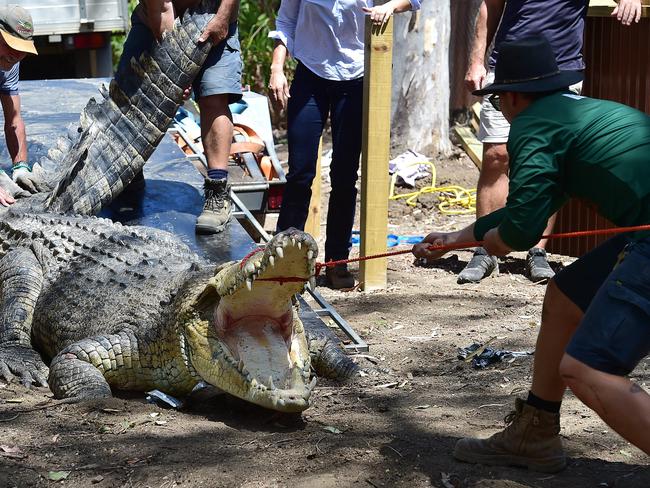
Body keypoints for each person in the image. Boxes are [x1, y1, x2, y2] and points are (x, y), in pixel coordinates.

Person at [413, 37, 650, 471]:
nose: (501, 106)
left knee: (586, 370)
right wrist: (455, 237)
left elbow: (519, 231)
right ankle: (535, 433)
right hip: (643, 233)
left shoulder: (532, 125)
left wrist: (498, 244)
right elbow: (528, 209)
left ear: (513, 96)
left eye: (500, 97)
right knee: (563, 298)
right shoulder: (574, 116)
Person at [461, 0, 641, 284]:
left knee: (555, 165)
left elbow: (548, 191)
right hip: (510, 66)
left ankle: (536, 250)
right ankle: (485, 249)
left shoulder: (543, 124)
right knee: (497, 155)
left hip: (560, 68)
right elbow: (490, 6)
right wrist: (476, 60)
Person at [267, 0, 419, 289]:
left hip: (355, 77)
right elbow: (285, 22)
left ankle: (337, 260)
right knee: (300, 172)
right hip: (310, 73)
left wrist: (390, 6)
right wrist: (277, 68)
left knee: (344, 175)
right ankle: (285, 259)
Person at [118, 0, 242, 234]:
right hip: (154, 20)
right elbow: (161, 8)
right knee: (131, 88)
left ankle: (217, 191)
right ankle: (130, 174)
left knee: (213, 98)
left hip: (216, 13)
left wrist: (223, 17)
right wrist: (174, 70)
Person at [0, 5, 38, 207]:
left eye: (21, 49)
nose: (15, 54)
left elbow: (14, 120)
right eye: (10, 45)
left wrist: (20, 166)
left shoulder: (11, 60)